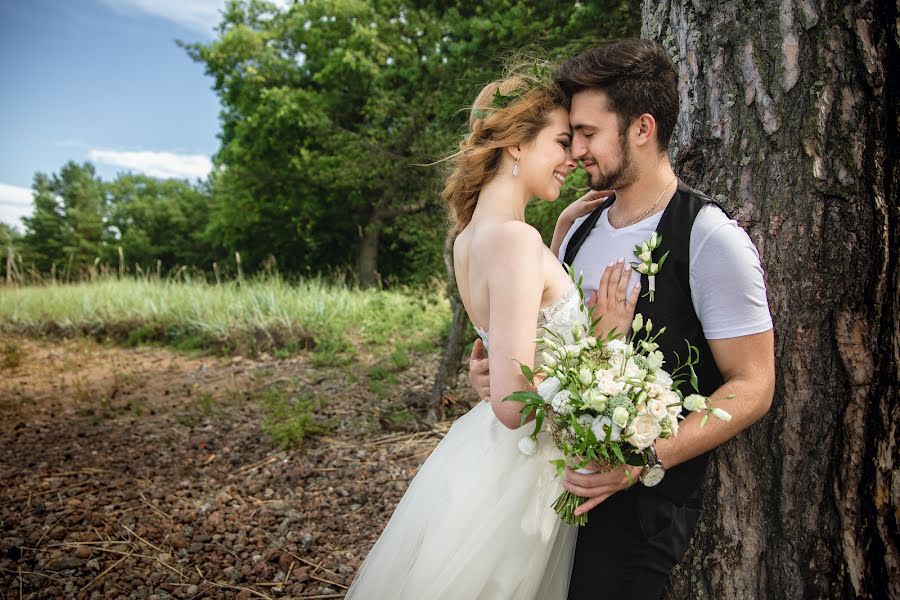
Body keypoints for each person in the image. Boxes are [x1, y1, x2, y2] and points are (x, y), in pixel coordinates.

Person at [469, 39, 776, 598]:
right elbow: (542, 351)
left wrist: (644, 458)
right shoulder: (578, 229)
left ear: (642, 128)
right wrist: (502, 382)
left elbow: (754, 385)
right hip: (544, 499)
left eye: (587, 133)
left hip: (640, 513)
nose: (576, 149)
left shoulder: (708, 239)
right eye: (569, 135)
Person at [345, 65, 637, 599]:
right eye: (560, 142)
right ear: (516, 146)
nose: (572, 158)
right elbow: (512, 402)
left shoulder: (471, 239)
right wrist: (605, 340)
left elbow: (522, 322)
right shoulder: (516, 242)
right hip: (522, 477)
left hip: (485, 458)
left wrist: (560, 232)